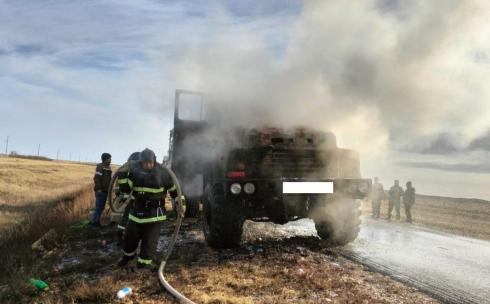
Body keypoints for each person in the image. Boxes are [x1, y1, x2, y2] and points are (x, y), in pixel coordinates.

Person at [118, 148, 178, 268]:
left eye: (150, 162)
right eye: (145, 162)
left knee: (149, 242)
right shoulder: (135, 172)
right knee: (130, 238)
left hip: (154, 215)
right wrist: (122, 174)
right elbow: (125, 189)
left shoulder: (163, 173)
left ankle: (143, 265)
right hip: (136, 213)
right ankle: (127, 257)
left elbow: (175, 190)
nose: (148, 165)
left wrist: (180, 204)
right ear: (141, 162)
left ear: (154, 161)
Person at [115, 152, 141, 244]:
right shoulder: (134, 174)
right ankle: (124, 235)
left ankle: (121, 234)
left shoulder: (130, 173)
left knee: (126, 217)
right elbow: (125, 187)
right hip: (133, 200)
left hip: (130, 199)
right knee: (129, 218)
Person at [92, 152, 112, 226]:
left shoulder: (108, 168)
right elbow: (97, 178)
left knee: (102, 207)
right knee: (98, 207)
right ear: (105, 159)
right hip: (100, 191)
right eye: (109, 159)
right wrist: (99, 189)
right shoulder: (100, 167)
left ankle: (97, 221)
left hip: (105, 191)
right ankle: (94, 223)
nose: (110, 160)